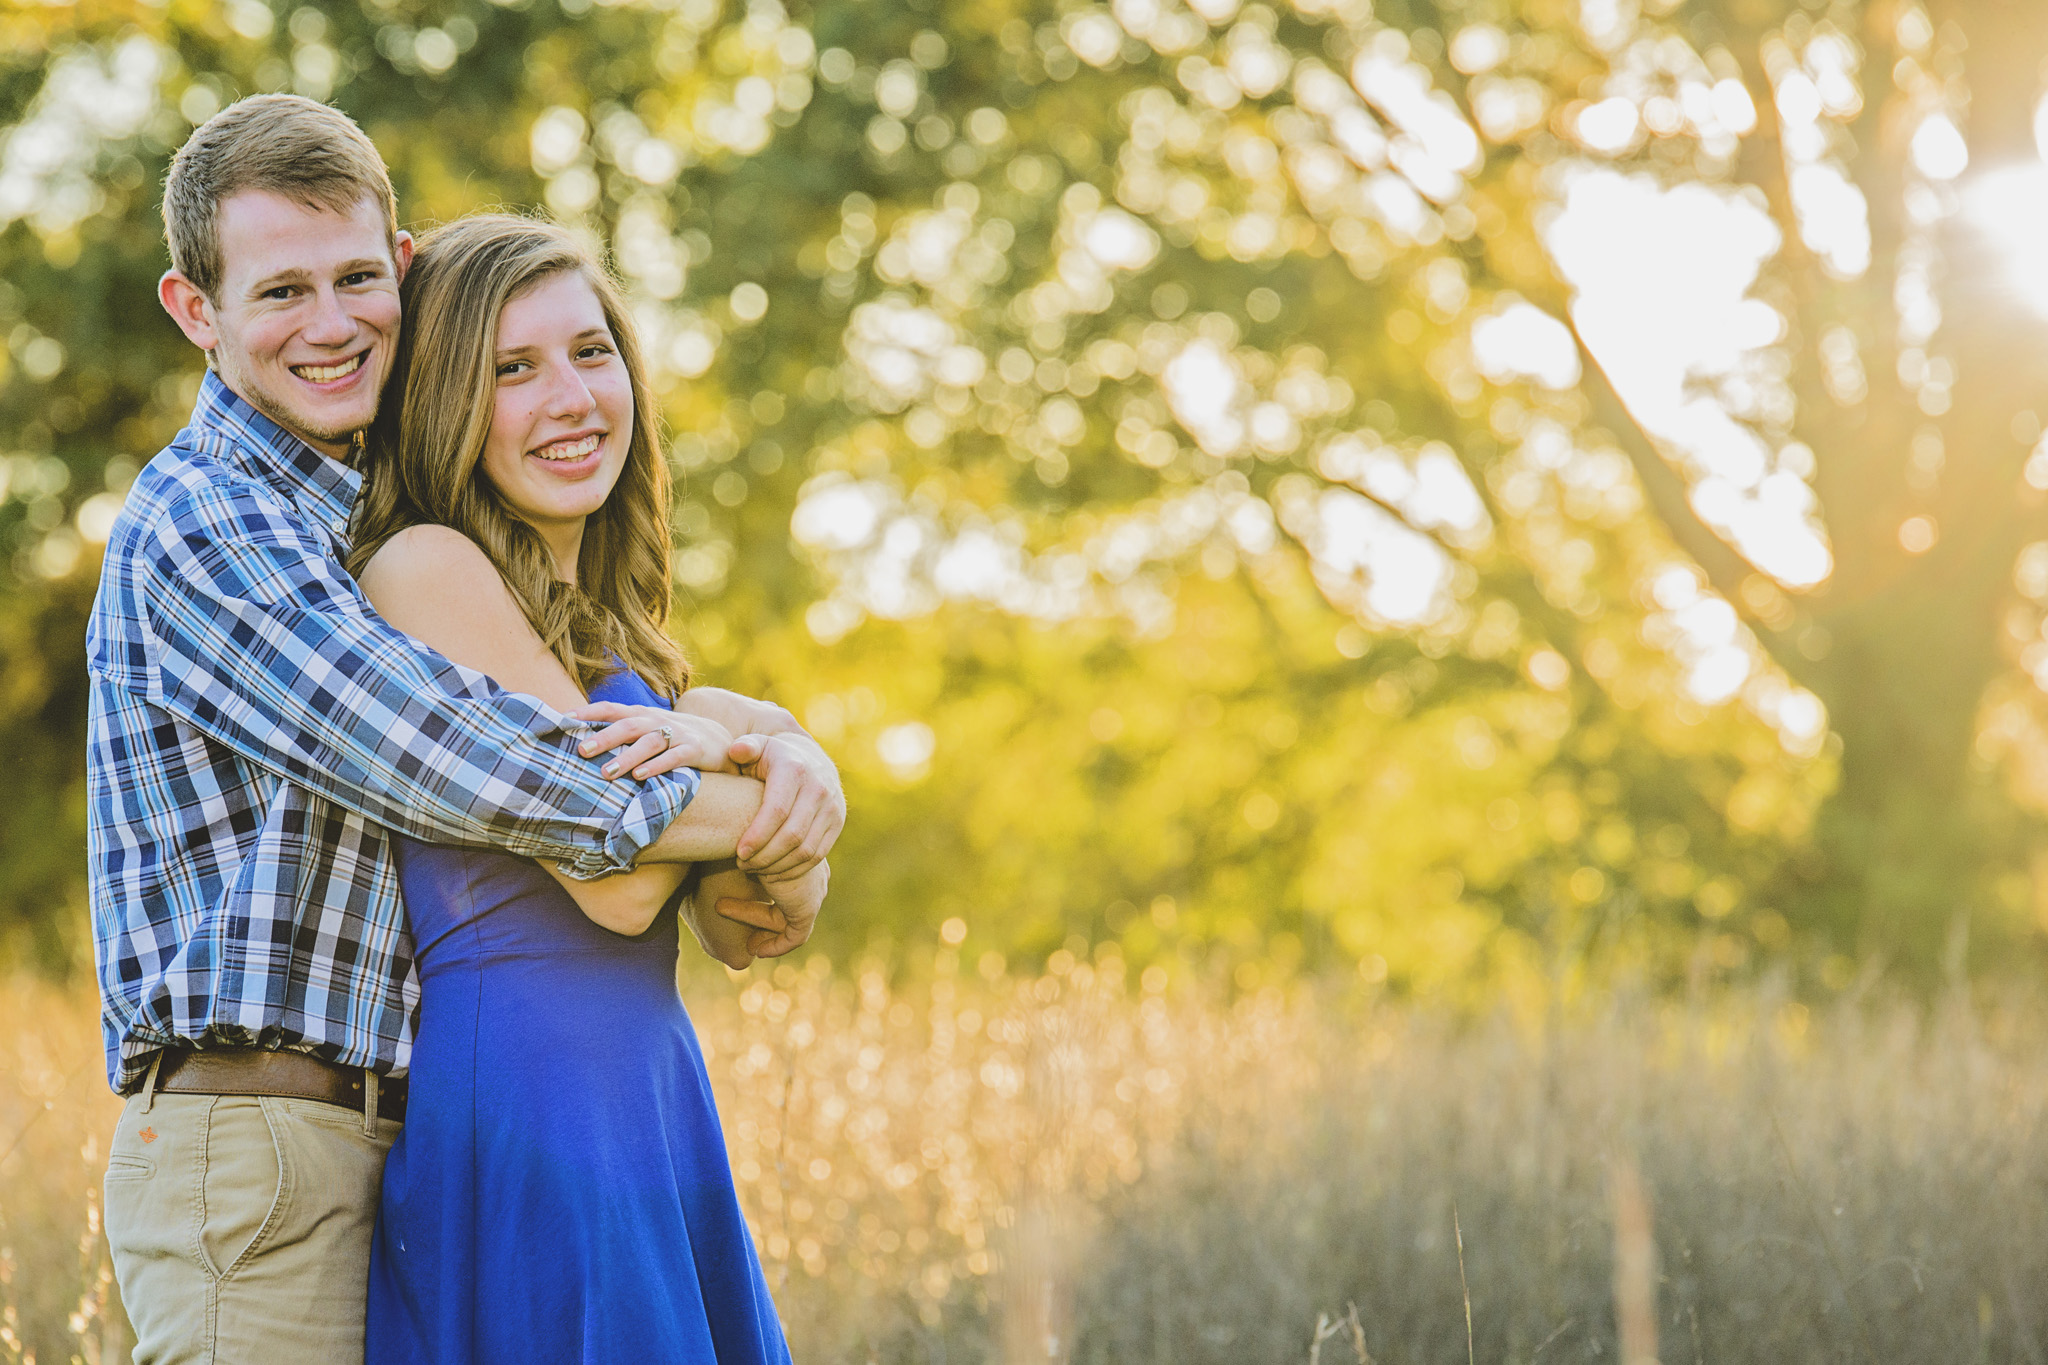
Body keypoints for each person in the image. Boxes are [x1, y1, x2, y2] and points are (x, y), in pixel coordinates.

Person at [87, 93, 841, 1365]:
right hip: (259, 1143)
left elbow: (750, 918)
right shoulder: (217, 530)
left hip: (395, 1118)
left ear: (404, 267)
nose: (329, 325)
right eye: (280, 292)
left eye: (355, 278)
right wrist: (770, 766)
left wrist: (765, 747)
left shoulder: (357, 521)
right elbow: (526, 787)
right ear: (196, 310)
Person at [350, 212, 800, 1364]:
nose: (570, 396)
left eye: (590, 352)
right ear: (450, 401)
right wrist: (788, 784)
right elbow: (618, 887)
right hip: (535, 1100)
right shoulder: (424, 566)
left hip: (640, 1093)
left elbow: (752, 922)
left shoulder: (607, 630)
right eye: (513, 368)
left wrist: (766, 754)